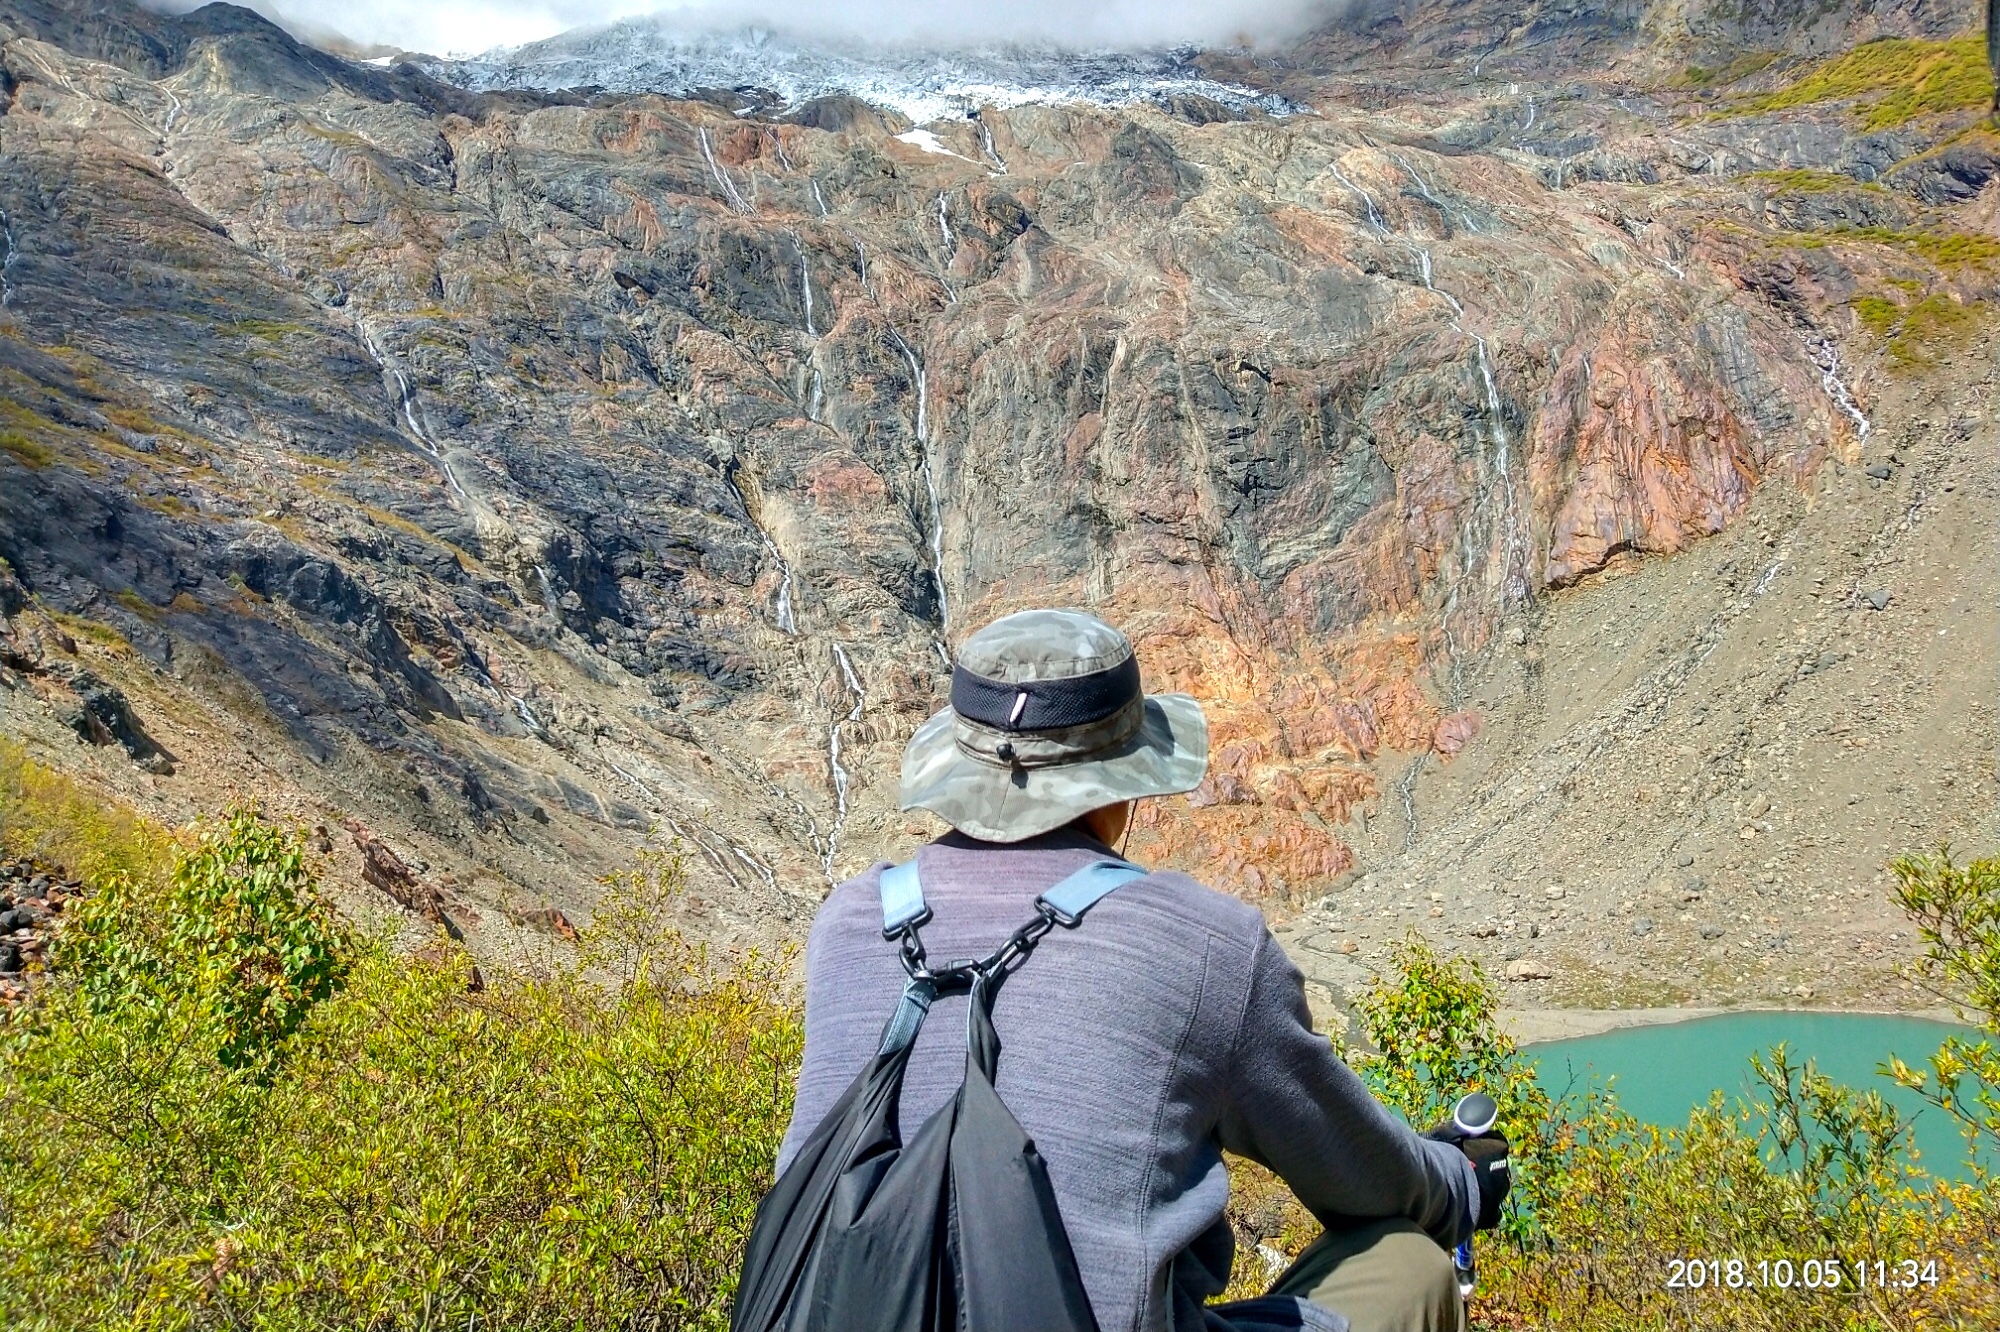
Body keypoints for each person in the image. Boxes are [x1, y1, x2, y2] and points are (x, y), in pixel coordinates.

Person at [780, 608, 1504, 1332]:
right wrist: (1460, 1182)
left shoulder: (848, 924)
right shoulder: (1204, 944)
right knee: (1406, 1261)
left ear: (960, 766)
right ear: (1124, 785)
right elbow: (1362, 1174)